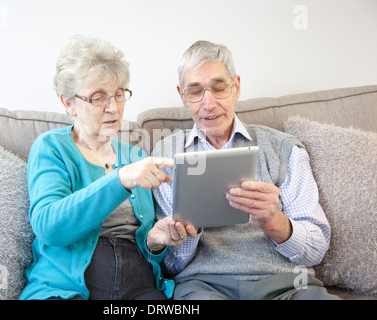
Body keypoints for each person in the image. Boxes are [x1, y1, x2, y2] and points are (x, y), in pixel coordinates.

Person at [152, 40, 341, 300]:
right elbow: (170, 266)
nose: (208, 104)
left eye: (218, 88)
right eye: (195, 91)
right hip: (205, 286)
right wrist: (186, 233)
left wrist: (274, 221)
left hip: (288, 284)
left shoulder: (283, 148)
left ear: (236, 87)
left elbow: (316, 250)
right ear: (182, 95)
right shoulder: (165, 155)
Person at [19, 35, 192, 300]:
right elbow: (49, 227)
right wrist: (120, 179)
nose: (113, 108)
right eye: (98, 98)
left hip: (139, 287)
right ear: (68, 103)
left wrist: (155, 243)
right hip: (68, 289)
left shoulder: (136, 154)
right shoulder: (52, 147)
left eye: (119, 94)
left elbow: (151, 255)